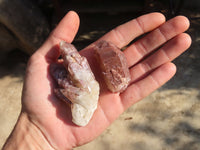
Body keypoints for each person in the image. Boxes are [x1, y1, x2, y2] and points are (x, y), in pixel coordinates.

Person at [2, 11, 191, 150]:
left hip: (88, 88)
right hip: (86, 88)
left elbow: (68, 88)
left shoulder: (83, 87)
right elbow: (66, 87)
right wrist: (36, 133)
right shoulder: (78, 88)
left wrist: (36, 137)